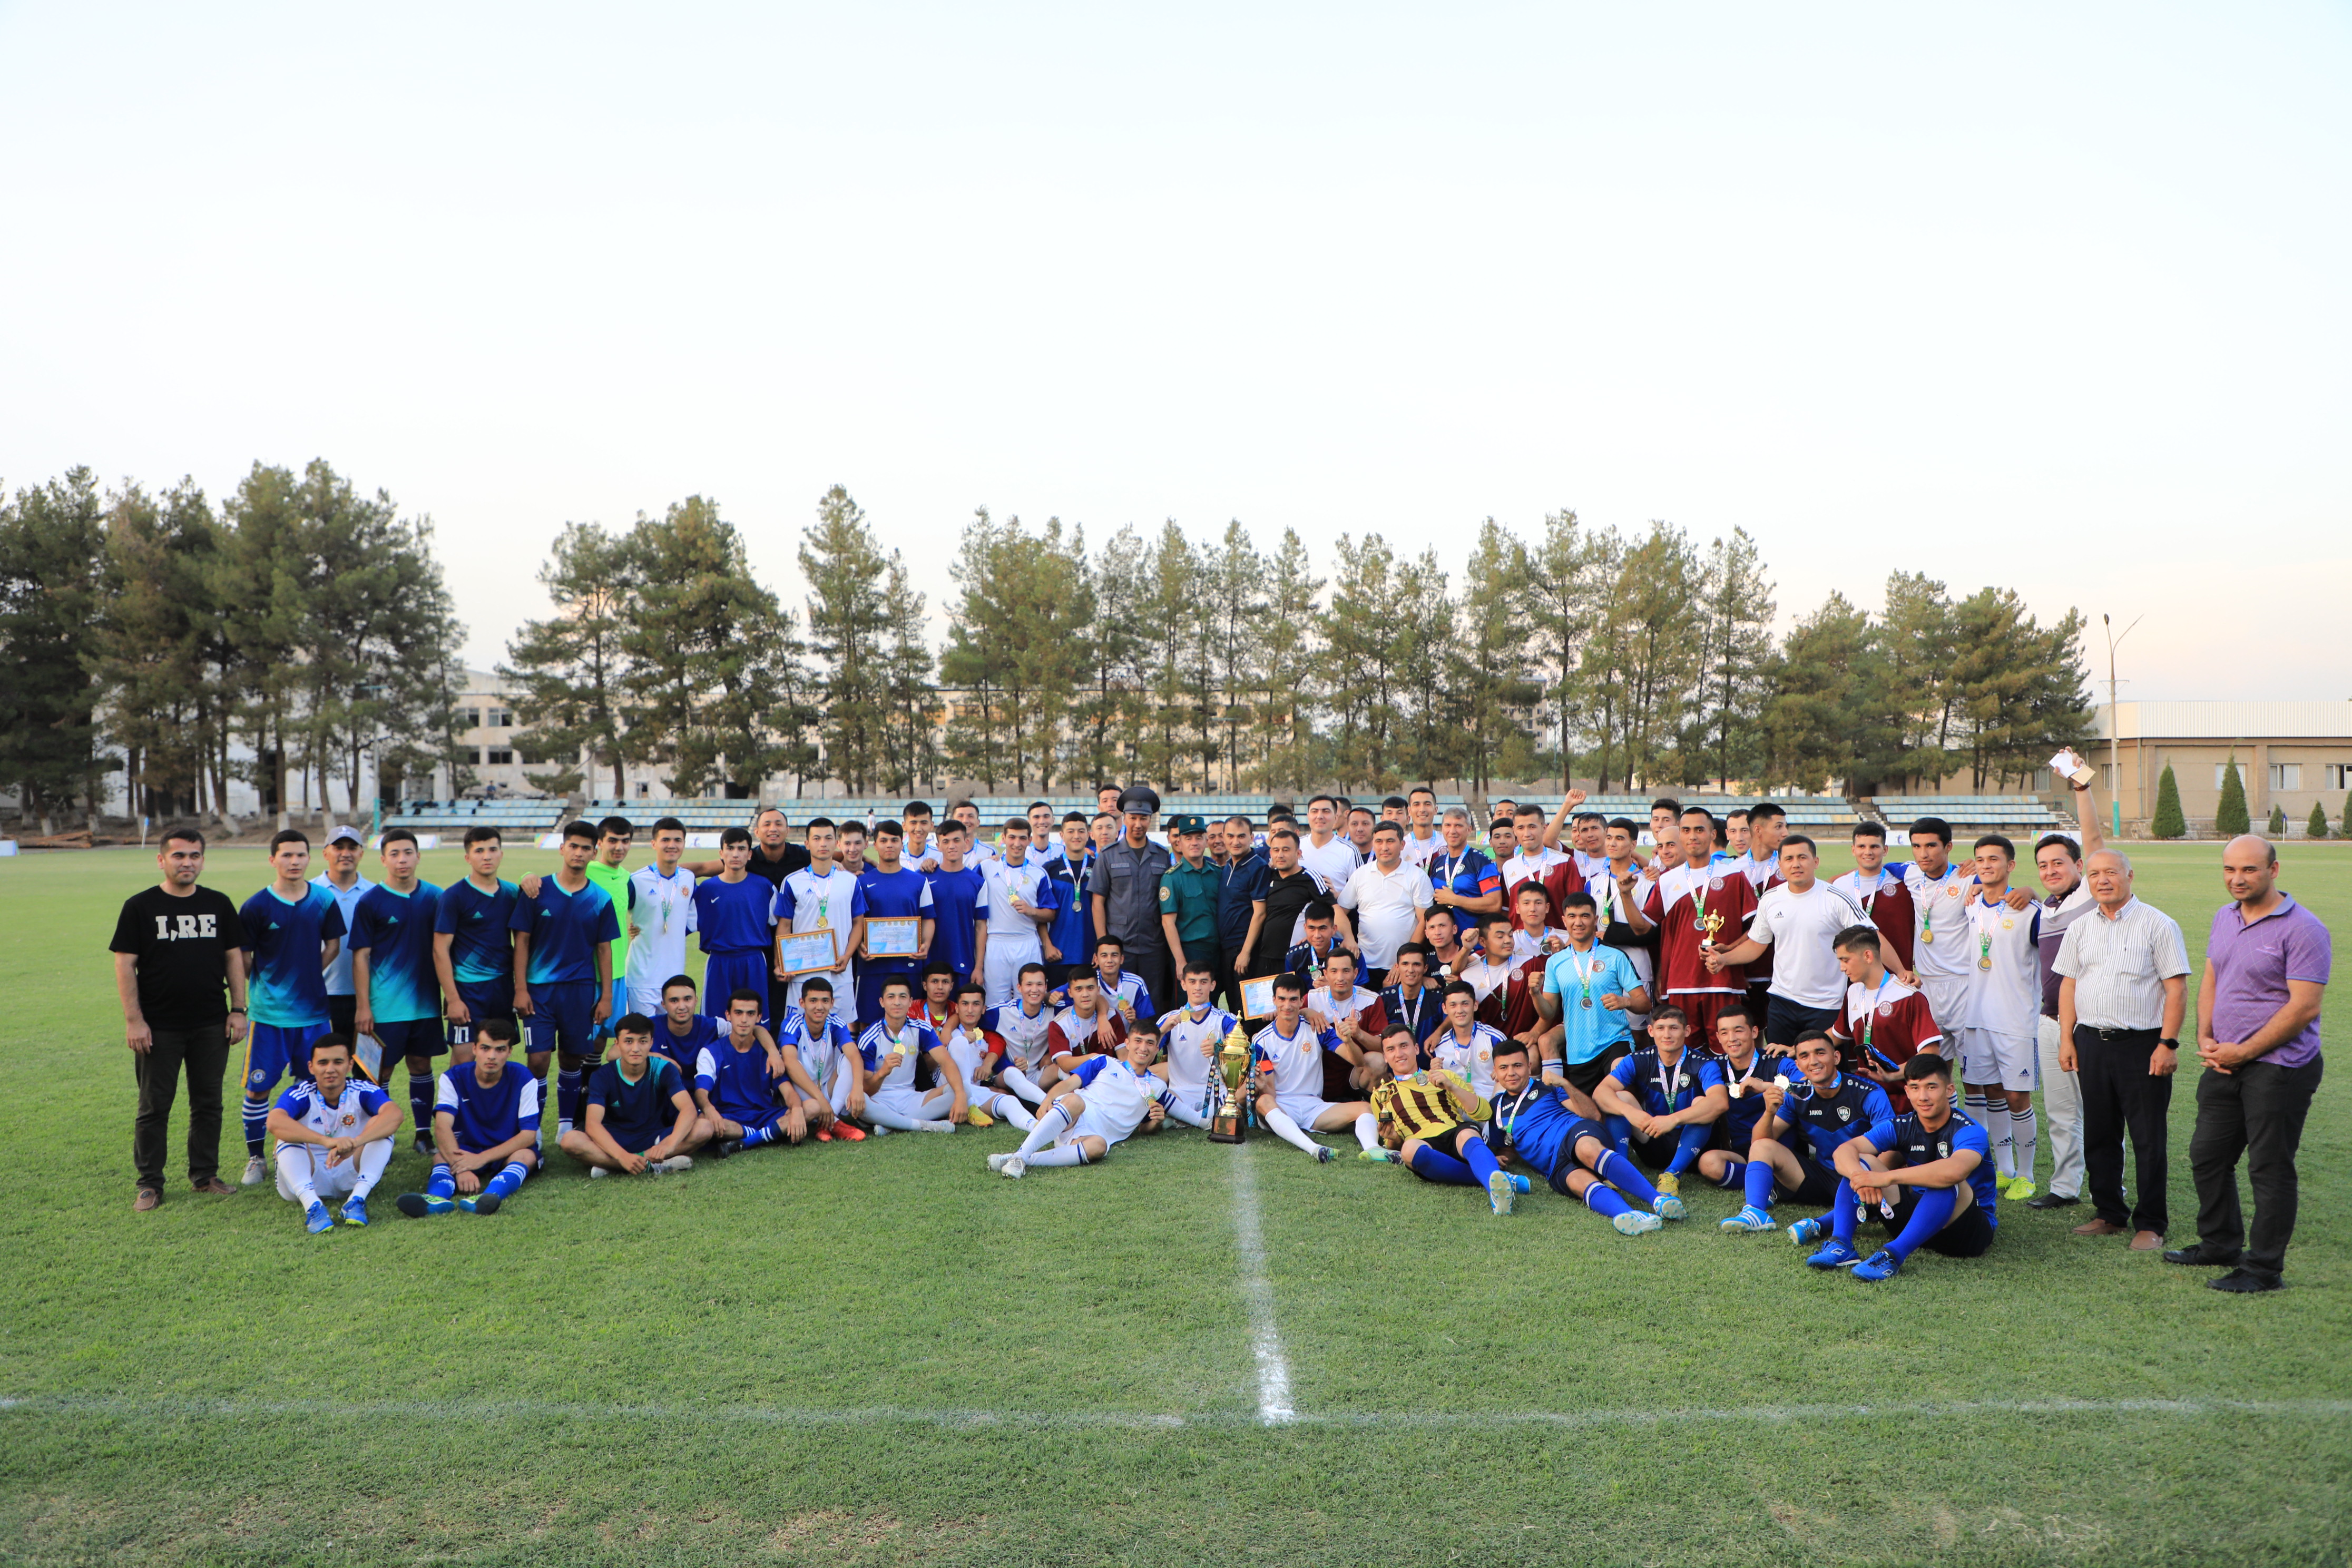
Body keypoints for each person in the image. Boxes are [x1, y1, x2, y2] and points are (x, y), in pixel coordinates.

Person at [2171, 836, 2331, 1293]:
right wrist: (2205, 1036)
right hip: (2223, 1061)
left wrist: (2244, 1051)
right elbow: (2212, 976)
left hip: (2280, 1067)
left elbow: (2304, 1007)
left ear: (2273, 870)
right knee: (2208, 1156)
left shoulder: (2304, 928)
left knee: (2269, 1167)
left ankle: (2263, 1269)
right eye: (2229, 870)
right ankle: (2220, 1245)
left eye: (2249, 870)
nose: (2237, 879)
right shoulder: (2226, 916)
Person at [2052, 849, 2190, 1252]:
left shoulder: (2158, 924)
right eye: (2094, 873)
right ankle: (2109, 1212)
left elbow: (2176, 988)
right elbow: (2069, 984)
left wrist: (2167, 1044)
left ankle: (2151, 1222)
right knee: (2100, 1133)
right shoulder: (2080, 927)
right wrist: (2067, 1039)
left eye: (2111, 872)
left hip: (2142, 1045)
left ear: (2130, 875)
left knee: (2148, 1138)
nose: (2102, 880)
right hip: (2091, 1042)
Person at [112, 825, 249, 1210]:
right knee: (154, 1107)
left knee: (208, 1103)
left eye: (194, 855)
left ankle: (205, 1175)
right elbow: (124, 965)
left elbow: (233, 958)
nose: (187, 862)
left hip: (211, 1023)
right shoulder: (140, 907)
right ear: (162, 860)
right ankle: (150, 1183)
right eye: (178, 855)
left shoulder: (218, 904)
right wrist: (134, 1020)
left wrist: (238, 1010)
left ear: (203, 860)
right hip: (159, 1027)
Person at [1819, 1053, 2000, 1279]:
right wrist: (1861, 1177)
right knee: (1862, 1162)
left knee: (1945, 1180)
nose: (1923, 1097)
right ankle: (1841, 1245)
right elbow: (1844, 1150)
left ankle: (1892, 1256)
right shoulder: (1902, 1125)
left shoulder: (1969, 1130)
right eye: (1915, 1088)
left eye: (1931, 1087)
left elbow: (1955, 1171)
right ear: (1907, 1091)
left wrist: (1886, 1178)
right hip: (1915, 1224)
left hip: (1964, 1231)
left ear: (1949, 1090)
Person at [1703, 834, 1890, 1048]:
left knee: (1822, 1064)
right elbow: (1756, 944)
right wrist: (1724, 959)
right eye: (1789, 859)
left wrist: (1901, 971)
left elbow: (1871, 937)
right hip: (1781, 1001)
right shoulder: (1771, 899)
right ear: (1780, 865)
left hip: (1827, 1004)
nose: (1796, 864)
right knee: (1780, 1065)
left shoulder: (1835, 898)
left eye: (1802, 857)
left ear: (1816, 862)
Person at [237, 829, 348, 1184]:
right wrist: (267, 982)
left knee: (312, 1084)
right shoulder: (256, 906)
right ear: (273, 860)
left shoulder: (323, 900)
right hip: (268, 1016)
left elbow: (333, 945)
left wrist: (311, 970)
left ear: (309, 858)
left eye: (301, 855)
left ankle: (301, 1151)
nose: (295, 861)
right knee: (258, 1088)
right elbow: (243, 956)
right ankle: (256, 1158)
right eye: (287, 855)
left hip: (314, 1014)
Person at [1484, 1038, 1678, 1233]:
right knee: (1580, 1184)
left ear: (1529, 1066)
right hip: (1553, 1165)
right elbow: (1507, 1147)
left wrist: (1564, 1083)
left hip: (1573, 1132)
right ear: (1495, 1071)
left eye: (1517, 1066)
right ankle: (1631, 1216)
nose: (1511, 1073)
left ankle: (1658, 1200)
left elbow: (1592, 1116)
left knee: (1586, 1149)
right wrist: (1500, 1159)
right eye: (1504, 1068)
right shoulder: (1496, 1107)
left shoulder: (1547, 1087)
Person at [513, 818, 622, 1138]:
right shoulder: (537, 891)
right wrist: (520, 989)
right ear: (562, 849)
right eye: (573, 846)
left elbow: (604, 950)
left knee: (573, 1058)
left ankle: (564, 1127)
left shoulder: (600, 898)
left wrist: (606, 997)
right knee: (537, 1060)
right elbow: (521, 942)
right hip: (539, 991)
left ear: (594, 853)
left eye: (586, 848)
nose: (579, 853)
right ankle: (533, 1128)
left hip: (580, 990)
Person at [2025, 791, 2106, 1210]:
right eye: (2043, 865)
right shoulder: (2046, 907)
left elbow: (2095, 842)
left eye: (2058, 863)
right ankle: (2064, 1187)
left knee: (2100, 1112)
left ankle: (2107, 1191)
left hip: (2089, 1022)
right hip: (2050, 1021)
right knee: (2060, 1112)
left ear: (2079, 866)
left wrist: (2081, 790)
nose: (2050, 871)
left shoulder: (2089, 896)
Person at [988, 1020, 1201, 1177]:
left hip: (1090, 1138)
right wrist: (1047, 1100)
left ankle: (1019, 1159)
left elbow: (1153, 1126)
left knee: (1100, 1147)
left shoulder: (1158, 1086)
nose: (1143, 1048)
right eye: (1138, 1041)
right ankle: (1022, 1155)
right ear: (1127, 1043)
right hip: (1071, 1117)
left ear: (1157, 1048)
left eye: (1150, 1043)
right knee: (1075, 1100)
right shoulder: (1105, 1062)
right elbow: (1068, 1085)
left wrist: (1158, 1122)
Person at [1745, 1030, 1898, 1243]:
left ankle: (1819, 1224)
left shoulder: (1868, 1093)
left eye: (1820, 1053)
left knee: (1872, 1174)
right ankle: (1755, 1212)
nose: (1813, 1061)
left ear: (1836, 1057)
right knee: (1763, 1147)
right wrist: (1769, 1112)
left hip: (1859, 1176)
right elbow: (1759, 1143)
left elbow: (1892, 1147)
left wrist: (1868, 1180)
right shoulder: (1796, 1093)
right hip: (1823, 1177)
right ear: (1798, 1065)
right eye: (1805, 1056)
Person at [346, 827, 446, 1152]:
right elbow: (361, 957)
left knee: (421, 1065)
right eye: (394, 854)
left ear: (418, 856)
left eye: (408, 853)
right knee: (379, 1072)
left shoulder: (436, 897)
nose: (402, 860)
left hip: (425, 1004)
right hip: (384, 1006)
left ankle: (423, 1135)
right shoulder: (370, 902)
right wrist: (363, 1006)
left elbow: (447, 949)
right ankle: (379, 1138)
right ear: (383, 860)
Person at [1957, 834, 2045, 1200]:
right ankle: (2005, 1170)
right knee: (1991, 1092)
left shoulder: (2030, 911)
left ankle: (2027, 1175)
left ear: (2010, 865)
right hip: (1977, 1017)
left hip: (2016, 1020)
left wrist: (2033, 891)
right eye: (1980, 860)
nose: (1986, 865)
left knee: (2016, 1097)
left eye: (1994, 859)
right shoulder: (1971, 904)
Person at [1367, 1026, 1528, 1214]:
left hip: (1455, 1136)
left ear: (1416, 1049)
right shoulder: (1380, 1095)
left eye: (1404, 1046)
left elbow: (1485, 1114)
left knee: (1467, 1133)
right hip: (1422, 1145)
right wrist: (1393, 1138)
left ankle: (1493, 1182)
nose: (1399, 1054)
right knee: (1408, 1150)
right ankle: (1495, 1177)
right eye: (1391, 1049)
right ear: (1385, 1057)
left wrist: (1452, 1087)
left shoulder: (1444, 1077)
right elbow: (1393, 1144)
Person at [396, 1016, 541, 1217]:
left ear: (509, 1052)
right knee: (441, 1156)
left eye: (500, 1050)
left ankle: (489, 1197)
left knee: (526, 1156)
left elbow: (528, 1136)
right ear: (474, 1049)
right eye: (485, 1048)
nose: (492, 1056)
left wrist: (481, 1159)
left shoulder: (524, 1078)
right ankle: (435, 1199)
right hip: (466, 1149)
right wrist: (462, 1169)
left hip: (507, 1149)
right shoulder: (453, 1077)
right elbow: (442, 1127)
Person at [1639, 807, 1757, 1047]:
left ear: (1713, 834)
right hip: (1680, 983)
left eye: (1699, 830)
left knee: (1729, 1051)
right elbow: (1643, 928)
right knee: (1686, 1055)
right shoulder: (1667, 880)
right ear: (1681, 835)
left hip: (1723, 981)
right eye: (1686, 830)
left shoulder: (1734, 875)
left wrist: (1730, 952)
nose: (1692, 836)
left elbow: (1756, 929)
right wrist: (1624, 895)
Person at [264, 1033, 401, 1232]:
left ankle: (356, 1200)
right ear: (311, 1067)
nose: (330, 1069)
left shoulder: (363, 1090)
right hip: (306, 1177)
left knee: (382, 1127)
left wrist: (356, 1142)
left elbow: (395, 1115)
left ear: (350, 1065)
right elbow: (274, 1121)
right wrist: (326, 1141)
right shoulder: (301, 1092)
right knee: (284, 1136)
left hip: (351, 1173)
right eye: (323, 1063)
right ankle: (313, 1207)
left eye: (338, 1062)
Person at [1532, 891, 1649, 1119]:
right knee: (1589, 1116)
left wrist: (1625, 1001)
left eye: (1585, 916)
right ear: (1564, 920)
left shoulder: (1615, 956)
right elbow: (1549, 1012)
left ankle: (1645, 1133)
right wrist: (1535, 994)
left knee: (1621, 1093)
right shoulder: (1555, 962)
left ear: (1595, 920)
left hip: (1615, 1042)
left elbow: (1644, 1004)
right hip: (1578, 1052)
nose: (1578, 922)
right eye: (1572, 916)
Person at [1593, 1006, 1726, 1191]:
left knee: (1703, 1104)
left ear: (1687, 1031)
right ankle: (1619, 1171)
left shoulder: (1703, 1063)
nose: (1667, 1035)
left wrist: (1673, 1120)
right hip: (1654, 1139)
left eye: (1674, 1028)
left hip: (1694, 1150)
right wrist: (1630, 1112)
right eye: (1661, 1028)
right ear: (1651, 1031)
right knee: (1620, 1098)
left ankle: (1673, 1174)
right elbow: (1600, 1093)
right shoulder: (1639, 1060)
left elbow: (1720, 1102)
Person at [1250, 974, 1377, 1162]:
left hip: (1314, 1106)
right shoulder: (1262, 1040)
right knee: (1264, 1101)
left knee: (1365, 1108)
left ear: (1302, 1001)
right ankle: (1314, 1148)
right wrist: (1261, 1086)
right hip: (1282, 1106)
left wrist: (1349, 1041)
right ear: (1274, 1000)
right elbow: (1271, 1092)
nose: (1287, 1006)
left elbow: (1359, 1063)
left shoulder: (1318, 1029)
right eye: (1282, 999)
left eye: (1293, 1000)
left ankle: (1373, 1149)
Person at [560, 1014, 704, 1175]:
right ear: (617, 1044)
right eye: (629, 1041)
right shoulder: (603, 1075)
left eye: (643, 1041)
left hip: (654, 1137)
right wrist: (622, 1156)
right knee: (570, 1140)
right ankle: (647, 1165)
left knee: (704, 1128)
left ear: (651, 1043)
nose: (636, 1049)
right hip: (614, 1139)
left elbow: (688, 1110)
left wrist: (670, 1144)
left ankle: (611, 1166)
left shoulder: (663, 1069)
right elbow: (593, 1124)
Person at [1692, 1006, 1795, 1205]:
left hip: (1777, 1150)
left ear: (1755, 1032)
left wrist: (1765, 1086)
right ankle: (1766, 1181)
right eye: (1724, 1033)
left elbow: (1807, 1090)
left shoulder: (1777, 1061)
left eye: (1738, 1030)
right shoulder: (1715, 1067)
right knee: (1708, 1163)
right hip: (1740, 1154)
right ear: (1718, 1038)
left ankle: (1774, 1179)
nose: (1732, 1038)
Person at [1824, 924, 1945, 1092]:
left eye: (1846, 960)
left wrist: (1892, 1075)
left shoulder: (1908, 996)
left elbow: (1930, 1052)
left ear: (1868, 956)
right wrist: (1799, 1048)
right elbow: (1837, 1034)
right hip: (1866, 1095)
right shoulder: (1853, 992)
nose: (1842, 968)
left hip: (1903, 1096)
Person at [435, 825, 518, 1062]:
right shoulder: (454, 896)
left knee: (498, 1053)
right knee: (464, 1056)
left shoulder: (512, 893)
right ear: (468, 857)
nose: (487, 856)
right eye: (479, 851)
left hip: (502, 987)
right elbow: (440, 950)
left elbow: (524, 941)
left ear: (501, 854)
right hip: (468, 989)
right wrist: (453, 999)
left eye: (492, 850)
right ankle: (453, 1091)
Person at [771, 816, 865, 1020]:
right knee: (799, 1030)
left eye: (828, 838)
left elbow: (859, 923)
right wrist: (781, 964)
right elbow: (784, 925)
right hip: (802, 974)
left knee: (841, 1031)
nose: (823, 843)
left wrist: (848, 956)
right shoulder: (792, 881)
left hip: (840, 972)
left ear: (836, 843)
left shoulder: (850, 881)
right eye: (817, 839)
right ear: (807, 844)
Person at [1091, 785, 1177, 1007]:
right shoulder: (1108, 856)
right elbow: (1098, 903)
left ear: (1150, 820)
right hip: (1120, 946)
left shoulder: (1162, 855)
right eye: (1133, 818)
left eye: (1144, 818)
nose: (1138, 824)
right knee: (1116, 1004)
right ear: (1124, 818)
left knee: (1152, 1004)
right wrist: (1103, 946)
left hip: (1153, 945)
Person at [693, 988, 806, 1151]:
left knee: (811, 1108)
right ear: (728, 1015)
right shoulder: (710, 1052)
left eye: (751, 1014)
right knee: (704, 1121)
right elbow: (701, 1092)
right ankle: (768, 1134)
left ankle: (745, 1142)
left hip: (764, 1115)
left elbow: (788, 1092)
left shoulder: (768, 1053)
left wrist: (796, 1109)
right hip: (729, 1118)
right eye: (738, 1013)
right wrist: (709, 1109)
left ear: (759, 1017)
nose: (744, 1020)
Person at [855, 819, 935, 1027]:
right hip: (872, 965)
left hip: (908, 964)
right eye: (883, 841)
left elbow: (928, 918)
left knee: (912, 1024)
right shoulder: (861, 882)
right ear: (875, 845)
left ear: (902, 843)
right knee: (869, 1023)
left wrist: (925, 944)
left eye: (894, 840)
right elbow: (856, 922)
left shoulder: (919, 881)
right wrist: (859, 945)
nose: (889, 845)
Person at [693, 827, 778, 1024]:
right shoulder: (706, 889)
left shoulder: (764, 887)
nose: (736, 854)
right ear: (721, 853)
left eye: (741, 849)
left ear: (750, 854)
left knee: (755, 1021)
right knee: (716, 1022)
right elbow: (681, 924)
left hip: (753, 961)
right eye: (730, 848)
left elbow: (782, 925)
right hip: (719, 962)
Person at [856, 976, 961, 1133]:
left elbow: (947, 1062)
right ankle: (919, 1124)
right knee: (857, 1100)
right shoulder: (869, 1037)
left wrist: (961, 1096)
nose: (897, 1002)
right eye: (891, 997)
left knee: (962, 1089)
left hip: (911, 1098)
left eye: (903, 997)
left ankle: (891, 1125)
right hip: (879, 1100)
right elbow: (866, 1090)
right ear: (882, 1002)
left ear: (911, 1002)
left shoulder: (921, 1028)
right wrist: (883, 1072)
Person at [1337, 822, 1432, 991]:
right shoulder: (1361, 874)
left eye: (1390, 841)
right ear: (1373, 844)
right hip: (1365, 964)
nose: (1384, 847)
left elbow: (1424, 921)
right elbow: (1339, 910)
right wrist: (1349, 937)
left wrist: (1404, 961)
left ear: (1402, 845)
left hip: (1401, 968)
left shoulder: (1417, 876)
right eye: (1379, 842)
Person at [977, 817, 1059, 1007]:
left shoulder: (1038, 873)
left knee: (1030, 1000)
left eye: (1022, 838)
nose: (1017, 843)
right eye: (1012, 837)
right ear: (1003, 838)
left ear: (1030, 840)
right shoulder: (986, 867)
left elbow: (1051, 914)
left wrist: (1032, 911)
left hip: (1027, 942)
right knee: (995, 1003)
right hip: (996, 943)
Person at [936, 982, 1040, 1131]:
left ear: (984, 1009)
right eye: (965, 1004)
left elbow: (1003, 1064)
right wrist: (960, 1039)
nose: (970, 1010)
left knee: (1009, 1101)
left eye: (976, 1004)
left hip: (975, 1092)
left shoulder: (986, 1041)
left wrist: (1018, 1067)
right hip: (948, 1091)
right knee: (960, 1043)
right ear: (957, 1008)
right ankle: (966, 1102)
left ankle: (1037, 1127)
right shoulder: (947, 1034)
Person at [624, 816, 697, 1020]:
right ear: (654, 844)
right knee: (641, 1034)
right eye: (665, 840)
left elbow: (690, 921)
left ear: (684, 844)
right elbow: (616, 914)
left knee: (672, 1033)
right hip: (641, 978)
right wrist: (631, 927)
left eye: (677, 840)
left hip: (674, 979)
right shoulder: (636, 880)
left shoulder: (689, 878)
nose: (672, 845)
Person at [312, 824, 376, 1040]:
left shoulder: (375, 893)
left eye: (352, 847)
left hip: (369, 997)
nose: (346, 853)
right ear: (325, 853)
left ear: (361, 853)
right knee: (321, 1058)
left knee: (362, 1060)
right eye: (338, 847)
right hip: (320, 993)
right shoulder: (309, 893)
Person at [1159, 960, 1241, 1123]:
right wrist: (1162, 1031)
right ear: (1183, 985)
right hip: (1180, 1093)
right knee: (1155, 1093)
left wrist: (1221, 1046)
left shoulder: (1226, 1019)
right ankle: (1203, 1120)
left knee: (1247, 1089)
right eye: (1192, 982)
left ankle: (1186, 1118)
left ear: (1213, 985)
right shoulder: (1169, 1019)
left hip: (1218, 1093)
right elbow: (1148, 1052)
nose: (1198, 987)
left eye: (1203, 982)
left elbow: (1243, 1050)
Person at [1251, 828, 1337, 978]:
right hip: (1267, 956)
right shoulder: (1268, 877)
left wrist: (1349, 939)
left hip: (1296, 956)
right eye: (1276, 850)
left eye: (1286, 850)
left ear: (1299, 853)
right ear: (1271, 853)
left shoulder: (1310, 877)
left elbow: (1334, 909)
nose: (1280, 855)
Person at [1832, 823, 1916, 976]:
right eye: (1862, 847)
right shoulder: (1839, 885)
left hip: (1898, 974)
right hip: (1853, 976)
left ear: (1885, 850)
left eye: (1874, 847)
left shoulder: (1904, 883)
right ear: (1853, 850)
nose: (1868, 852)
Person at [1307, 947, 1390, 1093]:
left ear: (1355, 973)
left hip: (1357, 1071)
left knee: (1378, 1061)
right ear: (1326, 974)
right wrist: (1306, 1012)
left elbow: (1384, 1046)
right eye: (1334, 971)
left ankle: (1367, 1100)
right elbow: (1289, 1013)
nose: (1340, 977)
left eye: (1346, 971)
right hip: (1320, 1072)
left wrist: (1359, 1034)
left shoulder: (1371, 1000)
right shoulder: (1312, 998)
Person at [1157, 813, 1219, 999]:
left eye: (1199, 838)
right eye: (1188, 838)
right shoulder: (1172, 878)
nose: (1194, 843)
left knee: (1214, 1004)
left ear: (1206, 841)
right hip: (1189, 951)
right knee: (1188, 1007)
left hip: (1217, 951)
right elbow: (1168, 922)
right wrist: (1180, 960)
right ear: (1180, 843)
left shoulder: (1218, 873)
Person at [583, 816, 635, 1032]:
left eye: (625, 841)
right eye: (613, 841)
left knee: (606, 1035)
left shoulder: (626, 877)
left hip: (618, 970)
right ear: (600, 843)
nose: (619, 847)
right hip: (587, 972)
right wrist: (527, 876)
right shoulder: (585, 871)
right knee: (583, 1038)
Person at [1214, 815, 1269, 1012]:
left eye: (1241, 836)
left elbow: (1260, 914)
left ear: (1252, 838)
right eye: (1230, 836)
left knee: (1247, 1010)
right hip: (1226, 947)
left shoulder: (1258, 867)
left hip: (1245, 948)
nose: (1235, 842)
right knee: (1233, 1005)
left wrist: (1245, 952)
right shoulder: (1228, 867)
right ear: (1224, 837)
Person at [924, 818, 988, 987]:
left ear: (966, 843)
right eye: (946, 842)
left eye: (956, 840)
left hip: (963, 960)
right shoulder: (923, 878)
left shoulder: (977, 882)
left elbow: (981, 926)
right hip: (929, 962)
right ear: (938, 846)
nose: (952, 846)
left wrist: (978, 968)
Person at [983, 963, 1060, 1104]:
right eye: (1029, 984)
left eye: (1039, 984)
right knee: (1013, 1074)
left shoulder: (1054, 1011)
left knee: (1062, 1068)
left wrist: (1102, 1014)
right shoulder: (1002, 1012)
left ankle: (1078, 1099)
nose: (1034, 990)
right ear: (1019, 987)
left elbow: (1081, 996)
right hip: (1008, 1074)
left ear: (1046, 987)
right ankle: (1048, 1105)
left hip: (1038, 1075)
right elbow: (970, 1016)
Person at [1428, 978, 1511, 1101]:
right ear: (1445, 1009)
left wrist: (1505, 1070)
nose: (1460, 1010)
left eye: (1465, 1004)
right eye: (1453, 1005)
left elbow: (1512, 1072)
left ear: (1475, 1005)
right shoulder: (1439, 1047)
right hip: (1458, 1106)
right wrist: (1435, 1072)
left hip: (1493, 1104)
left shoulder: (1494, 1038)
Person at [682, 805, 808, 885]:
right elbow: (703, 868)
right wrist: (670, 871)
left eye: (779, 824)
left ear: (787, 830)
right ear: (757, 832)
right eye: (767, 825)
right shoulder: (747, 858)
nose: (773, 829)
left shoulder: (804, 855)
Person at [1038, 812, 1095, 991]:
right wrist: (1047, 945)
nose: (1076, 836)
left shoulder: (1098, 866)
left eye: (1081, 831)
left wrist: (1101, 948)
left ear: (1089, 834)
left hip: (1091, 953)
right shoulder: (1050, 869)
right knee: (1057, 1003)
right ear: (1062, 835)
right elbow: (1042, 913)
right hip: (1059, 953)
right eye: (1071, 831)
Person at [1425, 805, 1503, 932]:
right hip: (1444, 940)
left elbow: (1494, 904)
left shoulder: (1481, 861)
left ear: (1469, 829)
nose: (1452, 831)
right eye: (1448, 825)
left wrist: (1454, 900)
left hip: (1474, 939)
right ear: (1442, 829)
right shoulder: (1438, 862)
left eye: (1459, 826)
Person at [1044, 966, 1128, 1071]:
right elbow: (1065, 1064)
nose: (1085, 994)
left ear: (1098, 990)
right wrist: (1096, 1058)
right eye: (1079, 989)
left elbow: (1124, 1056)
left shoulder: (1112, 1016)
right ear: (1070, 993)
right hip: (1074, 1077)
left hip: (1108, 1075)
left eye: (1090, 988)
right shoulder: (1059, 1024)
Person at [649, 973, 730, 1081]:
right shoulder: (648, 1026)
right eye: (674, 1001)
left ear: (696, 1000)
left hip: (703, 1088)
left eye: (687, 999)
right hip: (663, 1090)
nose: (682, 1007)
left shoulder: (714, 1026)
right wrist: (657, 1058)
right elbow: (624, 1051)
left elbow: (747, 1031)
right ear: (664, 1004)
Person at [1379, 943, 1444, 1054]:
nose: (1411, 970)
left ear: (1425, 969)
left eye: (1416, 965)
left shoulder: (1437, 997)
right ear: (1397, 967)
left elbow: (1453, 1019)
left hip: (1432, 1062)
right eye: (1405, 964)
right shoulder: (1385, 998)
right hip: (1397, 1061)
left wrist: (1439, 1032)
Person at [1296, 795, 1361, 905]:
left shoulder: (1350, 851)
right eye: (1315, 812)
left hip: (1334, 914)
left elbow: (1362, 890)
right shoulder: (1296, 846)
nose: (1320, 816)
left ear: (1336, 817)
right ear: (1308, 816)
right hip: (1295, 915)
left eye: (1326, 812)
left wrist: (1338, 896)